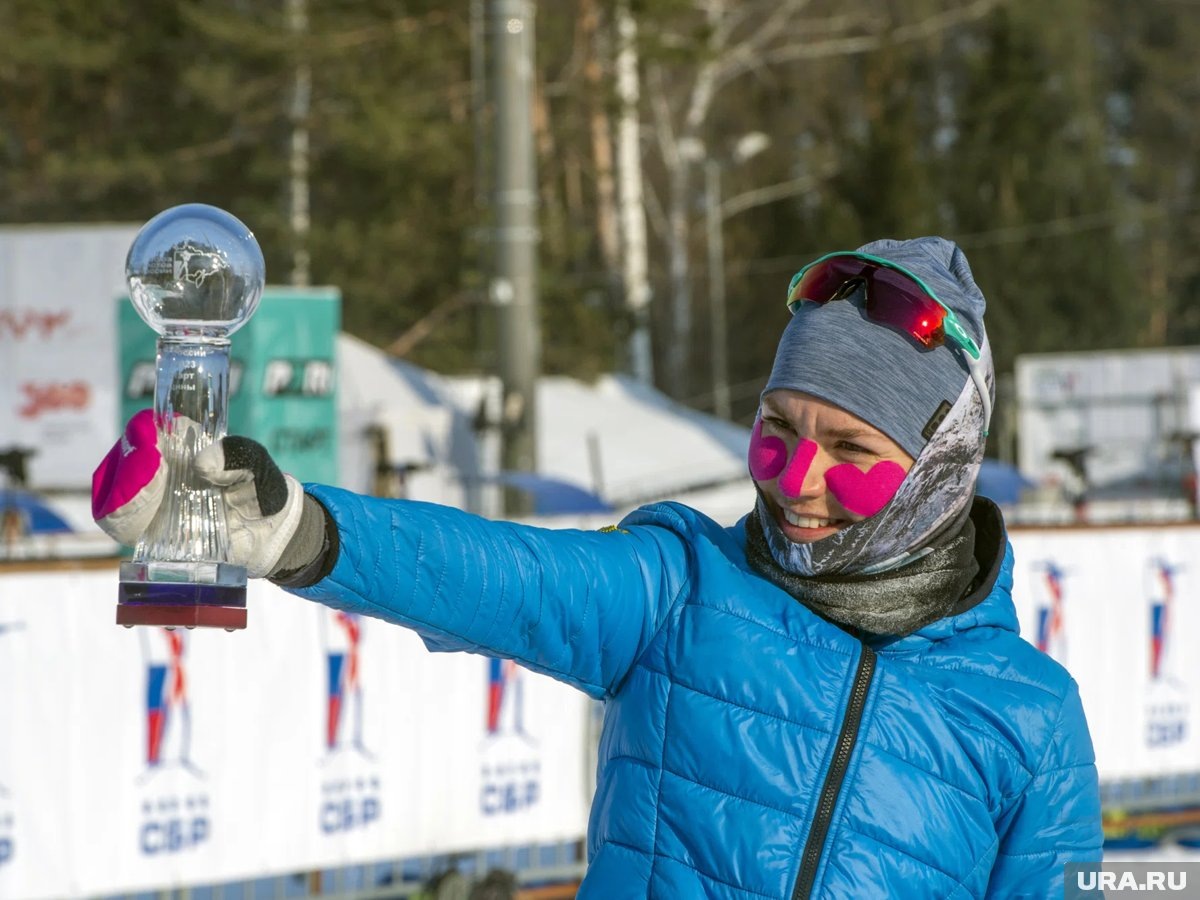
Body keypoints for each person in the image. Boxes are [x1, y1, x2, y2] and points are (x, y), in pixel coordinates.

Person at [93, 236, 1102, 898]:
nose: (799, 479)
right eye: (779, 431)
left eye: (853, 453)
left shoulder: (1027, 716)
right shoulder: (682, 592)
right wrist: (292, 528)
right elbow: (501, 575)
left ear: (939, 469)